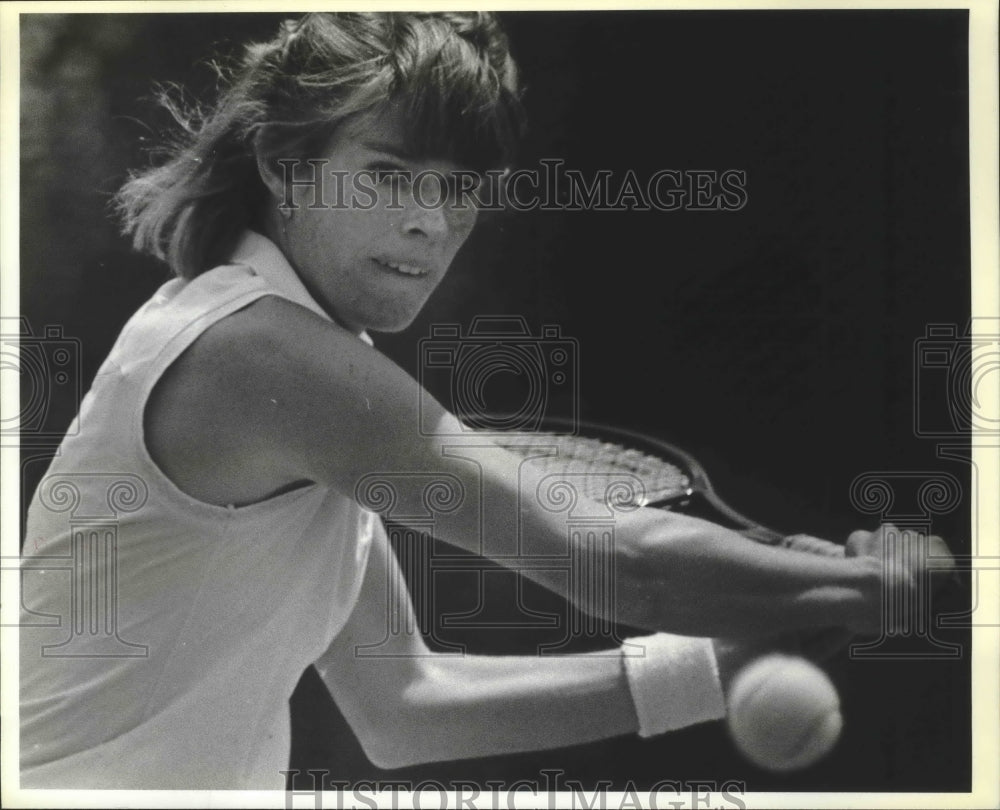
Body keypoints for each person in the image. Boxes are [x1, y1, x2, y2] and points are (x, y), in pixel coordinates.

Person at [19, 11, 952, 791]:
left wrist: (712, 672)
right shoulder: (262, 354)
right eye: (390, 175)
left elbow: (406, 706)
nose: (431, 219)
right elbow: (622, 566)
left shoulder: (284, 355)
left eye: (460, 187)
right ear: (283, 166)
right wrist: (871, 588)